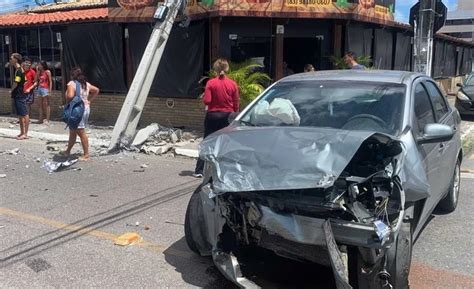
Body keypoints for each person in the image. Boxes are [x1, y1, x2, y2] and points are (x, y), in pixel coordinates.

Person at [193, 58, 240, 178]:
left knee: (207, 141)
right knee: (227, 143)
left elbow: (207, 100)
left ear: (216, 69)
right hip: (228, 116)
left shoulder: (211, 83)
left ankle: (199, 170)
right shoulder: (232, 84)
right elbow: (236, 103)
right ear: (227, 69)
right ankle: (226, 169)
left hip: (213, 116)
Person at [60, 67, 99, 161]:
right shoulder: (85, 84)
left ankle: (86, 155)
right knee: (73, 131)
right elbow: (96, 90)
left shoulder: (72, 84)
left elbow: (70, 96)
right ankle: (67, 151)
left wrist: (66, 102)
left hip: (76, 111)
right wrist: (89, 101)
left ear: (72, 75)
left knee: (81, 132)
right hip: (85, 109)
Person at [10, 53, 29, 140]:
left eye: (11, 58)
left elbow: (16, 82)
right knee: (21, 114)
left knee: (23, 114)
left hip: (19, 94)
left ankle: (25, 133)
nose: (10, 60)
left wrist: (12, 89)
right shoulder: (20, 69)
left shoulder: (18, 70)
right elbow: (25, 80)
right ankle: (22, 132)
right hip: (20, 93)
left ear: (16, 60)